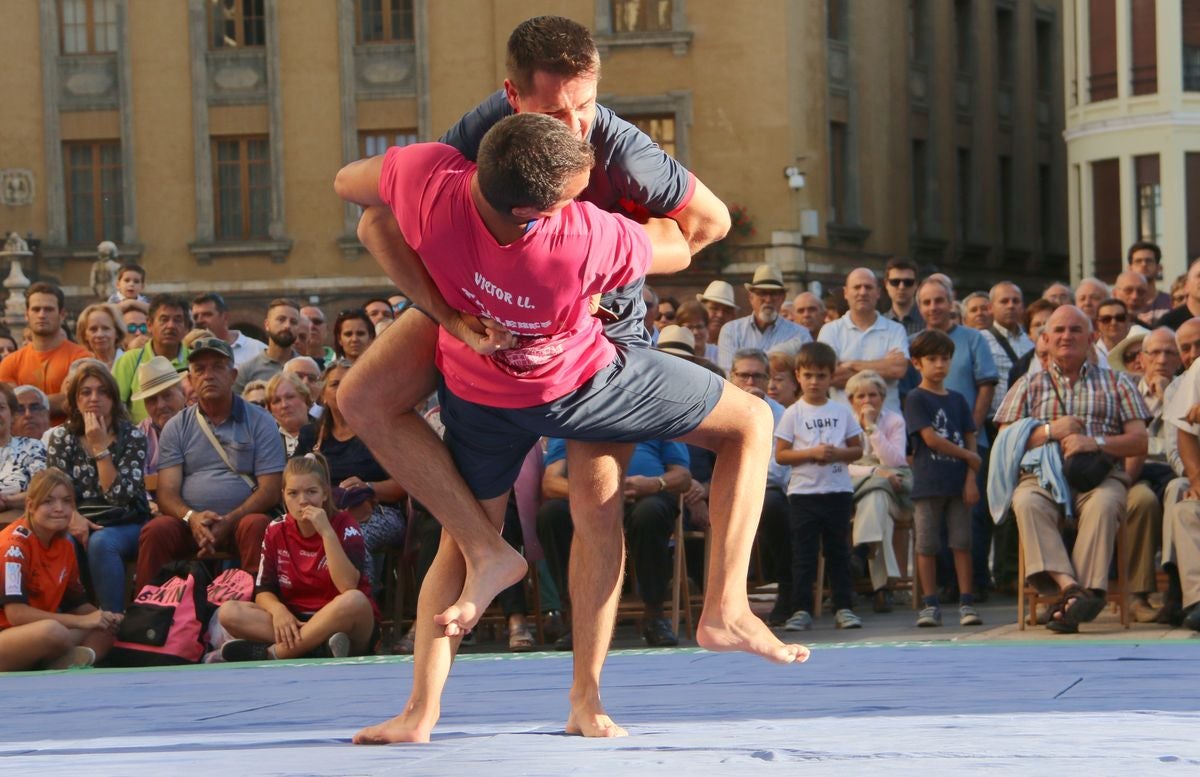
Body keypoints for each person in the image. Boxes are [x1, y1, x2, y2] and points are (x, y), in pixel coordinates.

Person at [337, 111, 804, 745]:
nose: (582, 197)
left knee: (461, 541)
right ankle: (725, 607)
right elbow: (690, 237)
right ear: (538, 211)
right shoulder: (580, 238)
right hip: (579, 391)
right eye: (572, 193)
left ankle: (421, 711)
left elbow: (358, 202)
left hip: (478, 394)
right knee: (750, 419)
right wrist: (659, 192)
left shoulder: (426, 178)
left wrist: (446, 314)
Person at [992, 305, 1149, 634]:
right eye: (1059, 330)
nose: (1067, 336)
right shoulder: (1027, 384)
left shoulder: (1118, 382)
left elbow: (1138, 442)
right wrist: (1051, 431)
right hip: (1041, 477)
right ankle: (1073, 591)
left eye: (1076, 330)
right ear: (1045, 340)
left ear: (1092, 338)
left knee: (1105, 504)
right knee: (1027, 502)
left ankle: (1078, 597)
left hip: (1098, 477)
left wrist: (1096, 443)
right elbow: (1005, 441)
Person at [134, 337, 284, 588]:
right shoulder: (177, 426)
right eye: (200, 370)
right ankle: (149, 613)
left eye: (217, 367)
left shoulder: (260, 421)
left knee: (258, 525)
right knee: (156, 531)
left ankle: (257, 606)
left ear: (233, 374)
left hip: (241, 523)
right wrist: (192, 518)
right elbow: (167, 492)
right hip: (191, 526)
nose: (208, 375)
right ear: (190, 380)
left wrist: (230, 520)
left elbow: (270, 490)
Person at [214, 453, 378, 661]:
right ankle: (316, 648)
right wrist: (278, 610)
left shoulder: (345, 525)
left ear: (325, 494)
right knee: (229, 612)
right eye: (293, 493)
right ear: (283, 495)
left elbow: (347, 586)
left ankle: (275, 653)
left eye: (311, 492)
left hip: (342, 621)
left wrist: (326, 532)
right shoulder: (276, 529)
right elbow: (264, 591)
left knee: (355, 600)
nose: (303, 501)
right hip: (295, 620)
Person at [536, 437, 692, 647]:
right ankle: (577, 618)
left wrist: (655, 483)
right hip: (589, 499)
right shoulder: (571, 416)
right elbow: (551, 482)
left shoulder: (655, 410)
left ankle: (654, 615)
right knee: (551, 515)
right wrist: (596, 493)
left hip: (646, 495)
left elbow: (683, 476)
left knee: (650, 514)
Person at [46, 361, 150, 614]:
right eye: (86, 392)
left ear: (114, 399)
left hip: (126, 523)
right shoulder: (62, 437)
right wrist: (73, 517)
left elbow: (118, 498)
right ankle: (69, 620)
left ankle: (111, 621)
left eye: (103, 391)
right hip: (76, 520)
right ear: (75, 400)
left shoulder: (132, 437)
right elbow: (54, 493)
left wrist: (100, 448)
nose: (95, 398)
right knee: (64, 541)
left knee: (102, 542)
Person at [774, 341, 864, 631]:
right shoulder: (793, 413)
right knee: (804, 554)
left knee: (839, 552)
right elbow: (782, 454)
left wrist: (837, 453)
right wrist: (811, 454)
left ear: (831, 376)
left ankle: (844, 607)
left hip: (837, 491)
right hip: (804, 494)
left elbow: (857, 449)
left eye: (821, 375)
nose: (814, 381)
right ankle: (800, 609)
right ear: (798, 375)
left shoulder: (842, 411)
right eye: (808, 375)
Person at [295, 359, 407, 586]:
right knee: (284, 534)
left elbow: (404, 486)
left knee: (351, 536)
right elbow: (293, 480)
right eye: (336, 384)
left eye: (351, 382)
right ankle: (306, 606)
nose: (343, 389)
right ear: (323, 394)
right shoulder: (310, 435)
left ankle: (362, 608)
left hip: (379, 512)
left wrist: (368, 488)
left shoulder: (381, 431)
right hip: (322, 512)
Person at [0, 468, 123, 670]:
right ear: (31, 506)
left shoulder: (64, 545)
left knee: (107, 629)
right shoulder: (13, 546)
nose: (59, 508)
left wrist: (105, 617)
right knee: (53, 632)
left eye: (67, 501)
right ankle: (56, 664)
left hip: (41, 634)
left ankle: (69, 664)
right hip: (9, 634)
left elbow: (76, 604)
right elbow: (16, 614)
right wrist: (82, 621)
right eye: (49, 501)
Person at [904, 330, 984, 628]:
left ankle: (966, 601)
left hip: (957, 482)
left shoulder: (959, 400)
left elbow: (970, 436)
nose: (939, 365)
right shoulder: (915, 398)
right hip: (928, 483)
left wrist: (971, 477)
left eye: (945, 358)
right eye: (932, 359)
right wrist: (968, 457)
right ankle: (929, 603)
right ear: (917, 363)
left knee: (962, 542)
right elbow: (930, 439)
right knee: (926, 544)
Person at [847, 369, 909, 613]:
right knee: (878, 494)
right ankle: (883, 588)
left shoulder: (894, 421)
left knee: (877, 498)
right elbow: (843, 465)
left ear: (882, 398)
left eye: (873, 395)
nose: (867, 401)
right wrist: (874, 473)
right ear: (851, 400)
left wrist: (872, 428)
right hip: (851, 487)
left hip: (890, 488)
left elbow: (894, 461)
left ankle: (861, 552)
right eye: (860, 396)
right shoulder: (844, 420)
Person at [819, 267, 910, 412]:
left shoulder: (895, 330)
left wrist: (850, 364)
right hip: (844, 427)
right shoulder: (830, 331)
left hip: (888, 426)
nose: (862, 292)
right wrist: (882, 366)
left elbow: (897, 370)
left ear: (878, 292)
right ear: (846, 292)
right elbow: (830, 376)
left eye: (868, 287)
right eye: (857, 287)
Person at [0, 282, 91, 421]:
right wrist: (59, 401)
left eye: (48, 309)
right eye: (36, 309)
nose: (42, 315)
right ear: (26, 314)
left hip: (69, 439)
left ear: (62, 314)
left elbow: (76, 402)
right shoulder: (10, 362)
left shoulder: (81, 358)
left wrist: (26, 402)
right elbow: (9, 406)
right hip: (24, 440)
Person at [112, 293, 190, 423]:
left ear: (186, 327)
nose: (171, 325)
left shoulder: (196, 362)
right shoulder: (130, 360)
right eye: (164, 319)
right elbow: (114, 407)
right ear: (149, 324)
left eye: (177, 320)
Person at [716, 265, 811, 370]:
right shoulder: (731, 331)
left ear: (782, 298)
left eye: (774, 294)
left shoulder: (800, 334)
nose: (768, 299)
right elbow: (728, 373)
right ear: (751, 297)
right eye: (762, 293)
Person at [130, 355, 187, 503]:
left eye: (167, 395)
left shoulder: (203, 424)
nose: (160, 405)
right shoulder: (137, 436)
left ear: (183, 394)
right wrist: (150, 505)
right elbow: (136, 484)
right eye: (152, 400)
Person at [0, 383, 47, 525]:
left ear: (12, 414)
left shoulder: (32, 447)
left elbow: (43, 491)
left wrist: (7, 502)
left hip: (18, 526)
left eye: (1, 408)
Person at [234, 298, 302, 393]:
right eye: (281, 319)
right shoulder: (247, 370)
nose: (287, 326)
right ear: (267, 324)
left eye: (293, 322)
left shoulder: (306, 368)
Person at [191, 292, 267, 367]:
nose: (199, 320)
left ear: (225, 317)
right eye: (195, 316)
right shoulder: (188, 351)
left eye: (207, 314)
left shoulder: (257, 350)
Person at [266, 371, 313, 456]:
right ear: (270, 410)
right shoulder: (265, 441)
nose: (284, 405)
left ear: (305, 399)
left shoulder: (325, 432)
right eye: (276, 401)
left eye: (290, 397)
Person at [1128, 241, 1173, 325]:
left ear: (1159, 268)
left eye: (1149, 261)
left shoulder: (1171, 302)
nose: (1144, 264)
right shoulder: (1122, 305)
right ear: (1130, 268)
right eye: (1138, 261)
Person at [75, 303, 125, 370]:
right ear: (84, 335)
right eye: (93, 329)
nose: (100, 334)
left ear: (117, 333)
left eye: (106, 328)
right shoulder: (80, 368)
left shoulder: (134, 363)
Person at [882, 257, 924, 336]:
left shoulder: (927, 321)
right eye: (895, 282)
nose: (901, 287)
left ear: (916, 284)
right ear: (886, 284)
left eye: (908, 282)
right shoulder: (879, 324)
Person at [697, 280, 739, 344]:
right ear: (701, 309)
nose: (720, 315)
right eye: (714, 308)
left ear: (733, 317)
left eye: (726, 311)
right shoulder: (688, 341)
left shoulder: (737, 346)